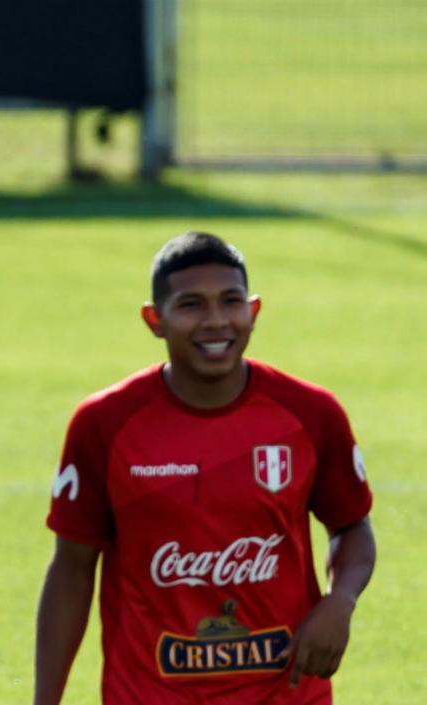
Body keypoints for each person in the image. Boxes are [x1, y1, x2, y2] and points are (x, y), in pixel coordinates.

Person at [35, 232, 377, 704]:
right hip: (148, 695)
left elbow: (352, 526)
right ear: (154, 320)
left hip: (288, 694)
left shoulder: (311, 414)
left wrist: (341, 602)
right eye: (191, 305)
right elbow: (71, 571)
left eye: (231, 302)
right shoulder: (104, 424)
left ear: (253, 311)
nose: (216, 321)